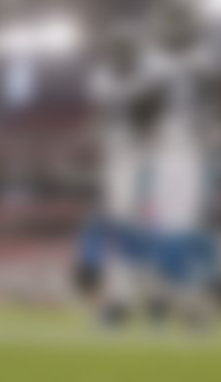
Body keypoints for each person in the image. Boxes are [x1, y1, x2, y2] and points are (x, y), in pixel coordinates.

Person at [139, 0, 221, 329]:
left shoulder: (206, 59)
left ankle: (191, 294)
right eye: (170, 23)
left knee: (191, 222)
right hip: (167, 146)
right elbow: (143, 109)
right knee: (172, 223)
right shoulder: (153, 63)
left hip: (197, 146)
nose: (173, 30)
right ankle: (188, 292)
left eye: (179, 22)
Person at [77, 26, 153, 327]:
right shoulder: (103, 79)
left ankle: (125, 301)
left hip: (137, 160)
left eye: (125, 49)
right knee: (120, 233)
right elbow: (102, 115)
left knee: (126, 232)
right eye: (116, 50)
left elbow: (146, 119)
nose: (120, 55)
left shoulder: (144, 81)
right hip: (116, 160)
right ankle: (127, 299)